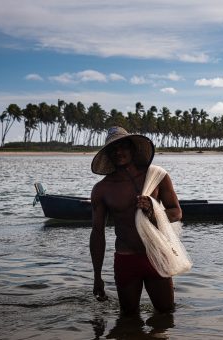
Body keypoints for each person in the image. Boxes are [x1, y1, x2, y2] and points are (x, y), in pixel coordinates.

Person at [90, 126, 182, 315]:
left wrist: (153, 210)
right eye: (113, 149)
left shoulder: (157, 176)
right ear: (108, 155)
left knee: (165, 314)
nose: (118, 152)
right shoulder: (102, 189)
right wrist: (97, 276)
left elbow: (176, 213)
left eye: (122, 146)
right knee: (129, 317)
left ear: (132, 149)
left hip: (156, 255)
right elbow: (97, 233)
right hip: (126, 259)